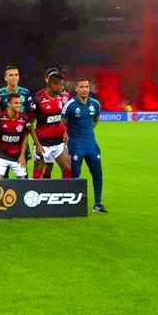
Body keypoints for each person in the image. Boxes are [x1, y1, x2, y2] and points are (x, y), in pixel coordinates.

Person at [64, 78, 106, 213]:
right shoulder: (70, 105)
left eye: (87, 87)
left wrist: (87, 133)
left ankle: (97, 204)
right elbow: (62, 123)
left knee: (97, 174)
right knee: (75, 175)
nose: (84, 89)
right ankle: (74, 205)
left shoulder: (95, 104)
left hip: (91, 144)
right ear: (76, 89)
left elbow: (95, 121)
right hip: (76, 144)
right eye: (81, 87)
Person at [30, 68, 72, 179]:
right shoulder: (38, 98)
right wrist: (37, 144)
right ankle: (36, 194)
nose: (62, 88)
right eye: (59, 85)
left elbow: (59, 118)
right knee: (39, 175)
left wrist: (65, 133)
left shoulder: (60, 97)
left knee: (68, 169)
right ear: (52, 85)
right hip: (42, 144)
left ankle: (65, 194)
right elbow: (30, 124)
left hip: (58, 143)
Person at [0, 93, 34, 179]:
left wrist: (22, 155)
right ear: (8, 104)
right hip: (1, 154)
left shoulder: (25, 118)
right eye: (16, 103)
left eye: (20, 103)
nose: (19, 105)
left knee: (22, 180)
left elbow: (25, 138)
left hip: (17, 155)